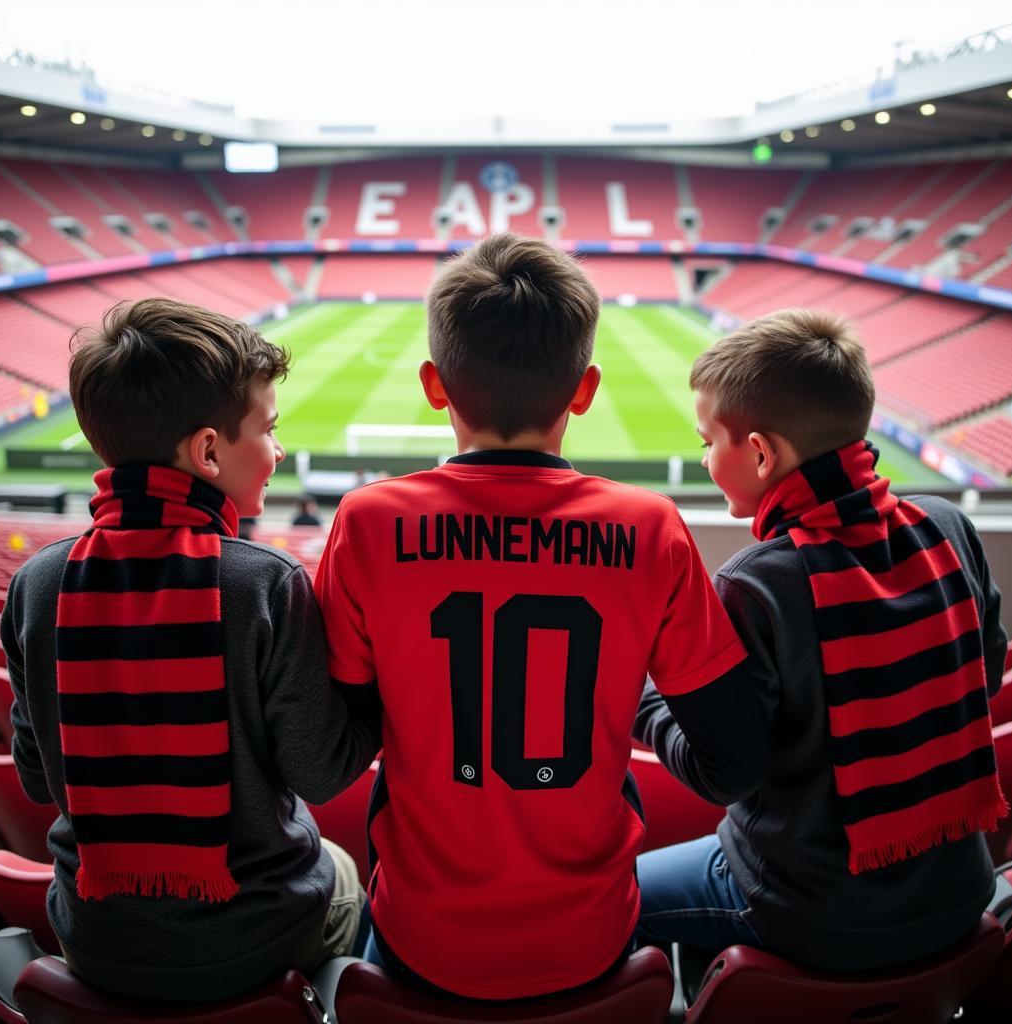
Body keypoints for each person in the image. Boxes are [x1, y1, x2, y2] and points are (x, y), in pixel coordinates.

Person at [313, 233, 760, 1000]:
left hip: (422, 943)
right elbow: (734, 763)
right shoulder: (650, 528)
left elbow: (337, 745)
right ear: (584, 390)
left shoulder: (365, 522)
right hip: (593, 942)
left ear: (433, 383)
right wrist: (639, 707)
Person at [2, 298, 381, 1002]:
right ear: (208, 451)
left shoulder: (34, 585)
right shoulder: (265, 583)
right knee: (348, 875)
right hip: (255, 940)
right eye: (268, 430)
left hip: (93, 941)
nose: (279, 452)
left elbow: (34, 778)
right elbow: (322, 775)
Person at [635, 308, 1009, 972]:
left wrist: (643, 696)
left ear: (758, 452)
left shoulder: (758, 584)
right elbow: (980, 683)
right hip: (960, 895)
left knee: (609, 897)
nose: (702, 457)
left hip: (808, 913)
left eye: (706, 441)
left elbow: (723, 775)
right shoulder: (950, 528)